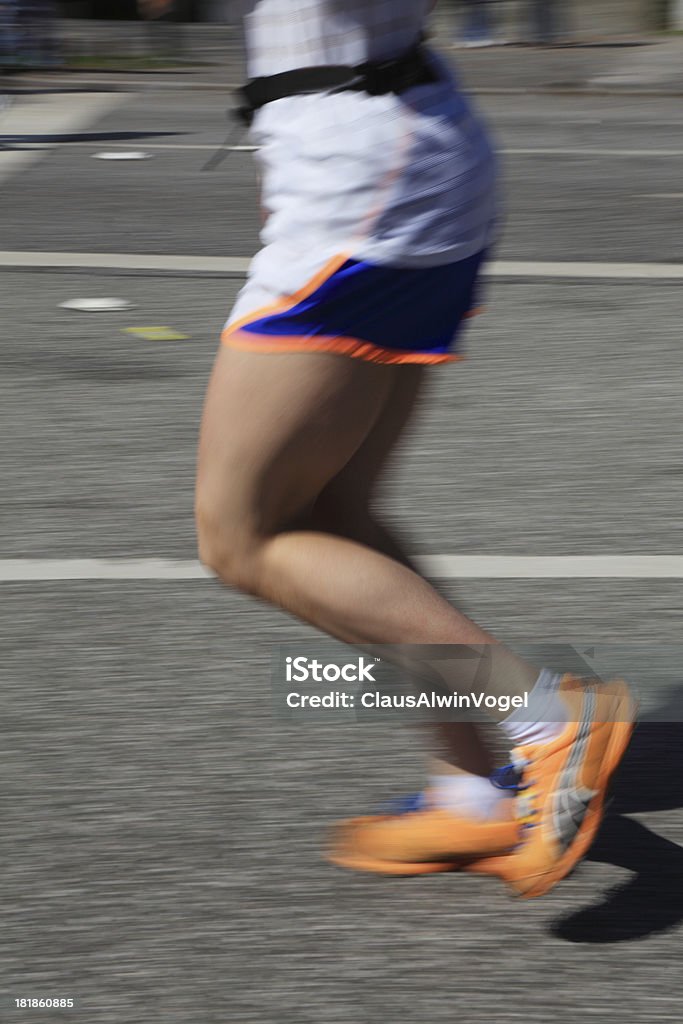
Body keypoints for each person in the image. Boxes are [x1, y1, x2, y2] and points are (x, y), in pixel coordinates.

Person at [195, 0, 636, 897]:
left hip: (366, 179)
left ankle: (549, 717)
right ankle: (474, 791)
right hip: (390, 155)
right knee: (334, 514)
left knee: (242, 535)